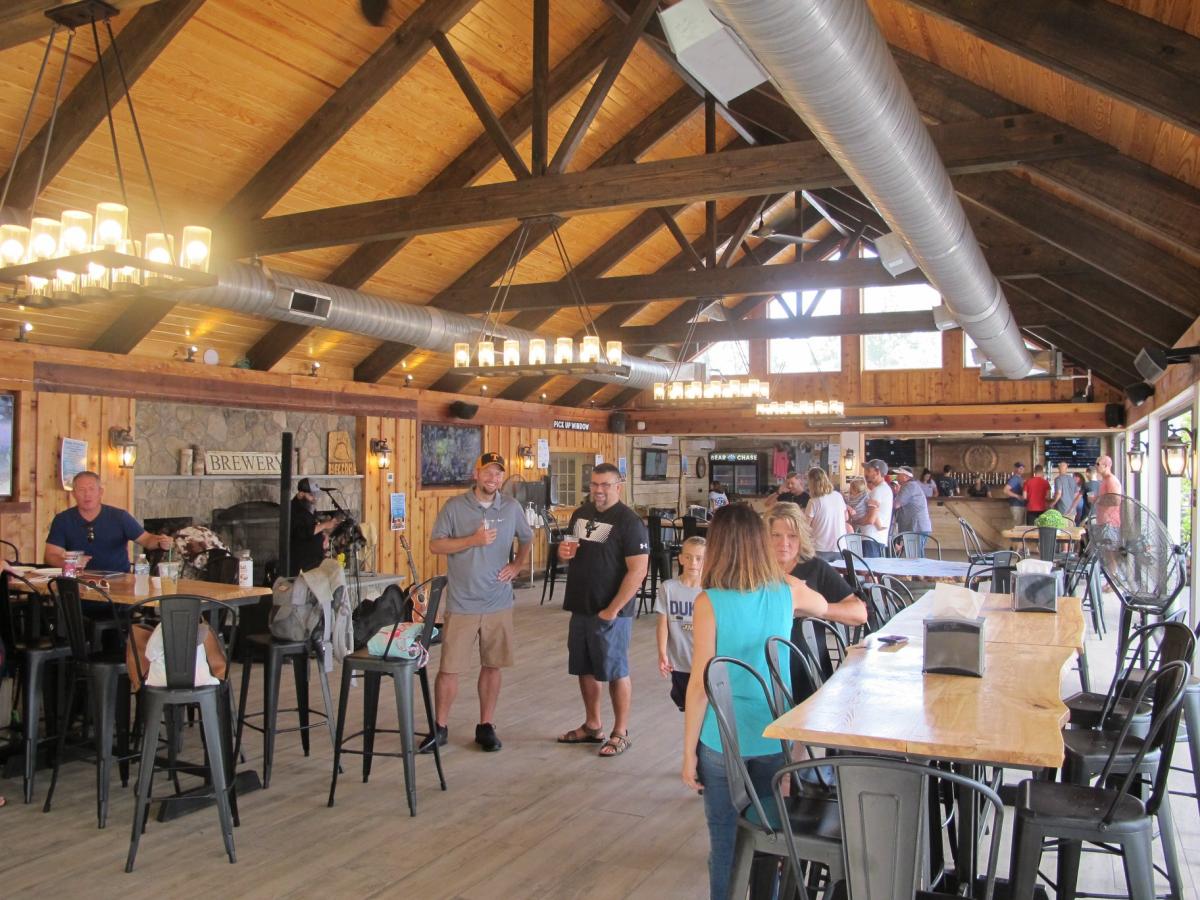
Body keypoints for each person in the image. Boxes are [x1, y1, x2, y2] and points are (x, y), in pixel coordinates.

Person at [680, 502, 838, 900]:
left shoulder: (708, 602)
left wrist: (687, 754)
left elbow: (700, 686)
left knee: (725, 841)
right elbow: (823, 607)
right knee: (769, 838)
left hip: (723, 739)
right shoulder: (786, 591)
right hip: (774, 733)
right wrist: (791, 586)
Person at [423, 452, 533, 753]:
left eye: (498, 474)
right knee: (449, 668)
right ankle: (440, 727)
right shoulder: (455, 507)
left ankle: (486, 726)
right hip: (462, 603)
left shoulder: (510, 507)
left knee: (493, 665)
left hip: (498, 602)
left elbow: (527, 537)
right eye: (488, 472)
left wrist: (517, 566)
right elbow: (436, 545)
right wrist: (472, 540)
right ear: (476, 474)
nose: (493, 478)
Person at [556, 462, 649, 758]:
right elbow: (570, 551)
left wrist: (613, 609)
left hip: (612, 612)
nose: (598, 490)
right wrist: (563, 552)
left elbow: (638, 571)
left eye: (605, 485)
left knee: (616, 671)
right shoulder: (580, 515)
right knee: (584, 668)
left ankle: (620, 732)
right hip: (581, 606)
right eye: (594, 484)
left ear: (617, 487)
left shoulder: (629, 522)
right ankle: (593, 725)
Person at [45, 471, 171, 572]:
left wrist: (161, 542)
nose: (87, 494)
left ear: (100, 492)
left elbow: (146, 539)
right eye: (81, 490)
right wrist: (70, 564)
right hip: (79, 581)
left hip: (119, 581)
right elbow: (51, 555)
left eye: (91, 489)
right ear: (73, 494)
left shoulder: (120, 517)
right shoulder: (63, 520)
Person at [767, 503, 867, 625]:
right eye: (776, 535)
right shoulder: (754, 569)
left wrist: (815, 608)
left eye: (792, 536)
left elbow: (859, 613)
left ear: (801, 538)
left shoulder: (815, 568)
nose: (784, 543)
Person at [655, 537, 705, 712]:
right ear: (681, 558)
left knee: (705, 711)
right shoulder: (668, 588)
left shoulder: (711, 590)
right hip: (680, 663)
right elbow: (663, 624)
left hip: (705, 664)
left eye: (699, 558)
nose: (693, 563)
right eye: (688, 557)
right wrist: (662, 653)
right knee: (687, 708)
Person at [288, 478, 340, 576]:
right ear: (301, 494)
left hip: (314, 559)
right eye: (311, 495)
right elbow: (303, 532)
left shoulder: (308, 506)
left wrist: (324, 535)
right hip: (302, 560)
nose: (314, 498)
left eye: (316, 495)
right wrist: (325, 525)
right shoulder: (293, 509)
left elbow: (314, 526)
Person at [804, 467, 848, 560]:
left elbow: (806, 526)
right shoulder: (838, 496)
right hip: (840, 546)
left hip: (820, 547)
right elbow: (846, 517)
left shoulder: (813, 501)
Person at [851, 459, 892, 557]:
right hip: (878, 537)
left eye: (869, 471)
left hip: (870, 537)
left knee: (868, 567)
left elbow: (870, 520)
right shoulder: (886, 489)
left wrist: (854, 521)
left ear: (877, 472)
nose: (866, 474)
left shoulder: (877, 491)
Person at [892, 466, 932, 555]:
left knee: (915, 559)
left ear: (905, 476)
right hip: (916, 527)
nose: (896, 477)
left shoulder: (909, 486)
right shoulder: (911, 486)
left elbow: (896, 504)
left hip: (916, 528)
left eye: (898, 474)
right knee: (914, 557)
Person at [1094, 455, 1123, 527]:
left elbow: (1116, 501)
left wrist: (1097, 500)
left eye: (1098, 464)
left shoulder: (1111, 480)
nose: (1095, 466)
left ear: (1105, 466)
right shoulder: (1104, 480)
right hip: (1103, 522)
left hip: (1110, 523)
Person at [1003, 462, 1026, 527]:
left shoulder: (1020, 479)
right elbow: (1005, 490)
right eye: (1020, 468)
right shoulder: (1015, 479)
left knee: (1020, 526)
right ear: (1015, 469)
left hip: (1020, 505)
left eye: (1023, 468)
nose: (1022, 470)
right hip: (1016, 505)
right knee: (1017, 526)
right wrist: (1017, 496)